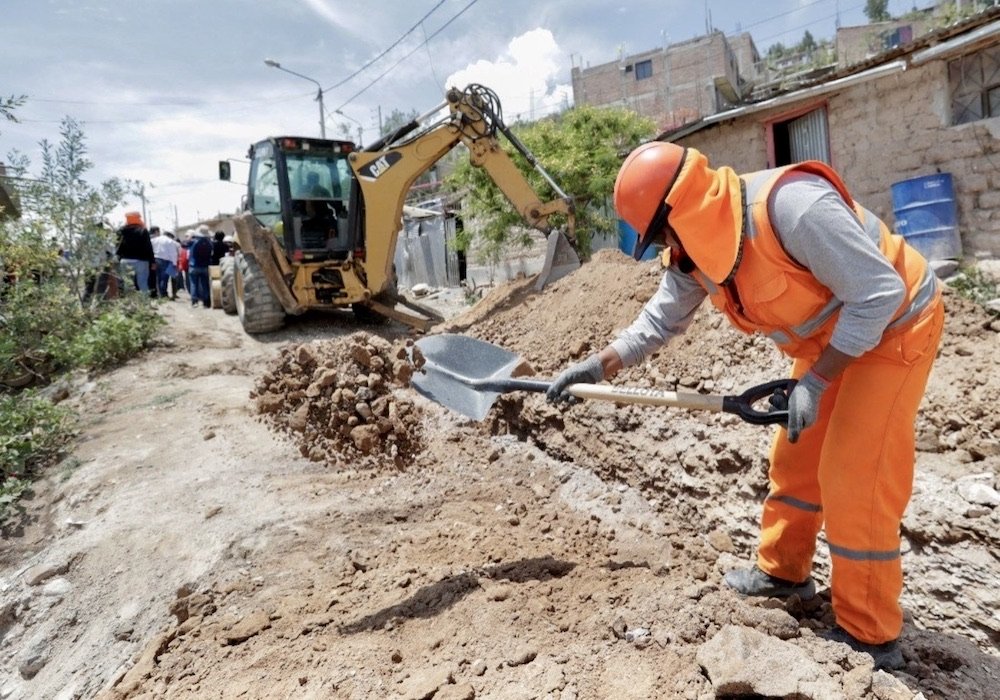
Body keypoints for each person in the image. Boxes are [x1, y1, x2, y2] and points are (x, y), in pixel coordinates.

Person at [547, 143, 943, 671]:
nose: (665, 248)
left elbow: (876, 294)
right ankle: (784, 573)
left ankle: (870, 633)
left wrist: (818, 380)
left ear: (679, 211)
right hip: (833, 338)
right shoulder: (697, 254)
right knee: (797, 460)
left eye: (661, 234)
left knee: (854, 476)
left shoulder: (793, 209)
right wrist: (599, 365)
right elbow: (659, 322)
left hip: (895, 324)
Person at [116, 211, 154, 295]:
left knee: (128, 285)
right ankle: (144, 304)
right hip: (141, 261)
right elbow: (148, 247)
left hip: (125, 260)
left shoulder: (121, 231)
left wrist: (119, 258)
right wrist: (152, 261)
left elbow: (117, 246)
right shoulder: (143, 230)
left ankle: (130, 305)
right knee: (143, 283)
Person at [151, 226, 181, 300]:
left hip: (156, 259)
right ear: (170, 235)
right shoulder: (170, 241)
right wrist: (174, 264)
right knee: (164, 279)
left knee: (158, 278)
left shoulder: (154, 240)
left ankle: (159, 293)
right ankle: (164, 294)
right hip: (166, 261)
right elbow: (173, 254)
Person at [188, 225, 213, 308]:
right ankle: (206, 302)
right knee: (205, 284)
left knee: (193, 284)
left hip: (194, 266)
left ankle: (194, 301)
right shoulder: (209, 243)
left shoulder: (193, 242)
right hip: (205, 266)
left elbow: (185, 244)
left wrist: (191, 236)